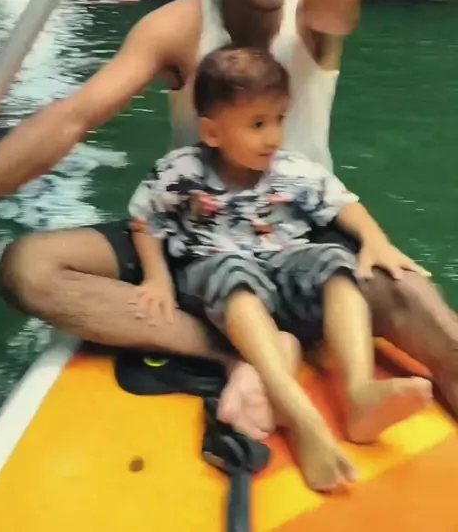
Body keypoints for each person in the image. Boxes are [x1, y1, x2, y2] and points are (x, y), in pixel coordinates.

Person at [0, 0, 457, 440]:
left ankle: (290, 343)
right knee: (28, 268)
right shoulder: (176, 26)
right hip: (196, 239)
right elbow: (73, 117)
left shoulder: (315, 19)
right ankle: (244, 350)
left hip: (304, 237)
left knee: (429, 316)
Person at [128, 45, 431, 491]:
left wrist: (376, 239)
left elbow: (343, 203)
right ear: (212, 131)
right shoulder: (181, 172)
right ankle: (299, 413)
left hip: (282, 262)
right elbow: (143, 221)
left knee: (333, 261)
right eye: (257, 124)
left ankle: (359, 394)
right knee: (233, 273)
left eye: (279, 120)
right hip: (214, 266)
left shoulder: (292, 170)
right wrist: (156, 276)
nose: (273, 137)